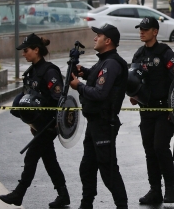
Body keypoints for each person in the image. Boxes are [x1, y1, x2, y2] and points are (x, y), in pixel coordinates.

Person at [0, 34, 70, 208]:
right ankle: (63, 194)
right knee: (49, 159)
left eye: (26, 50)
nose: (24, 54)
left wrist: (55, 122)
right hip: (39, 125)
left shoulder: (49, 71)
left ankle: (19, 194)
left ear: (36, 50)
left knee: (31, 157)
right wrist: (31, 123)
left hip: (50, 124)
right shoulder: (31, 72)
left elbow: (59, 98)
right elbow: (28, 98)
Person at [69, 24, 129, 209]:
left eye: (99, 35)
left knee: (108, 169)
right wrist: (84, 72)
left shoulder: (111, 63)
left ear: (108, 41)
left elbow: (100, 93)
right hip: (95, 123)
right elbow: (98, 77)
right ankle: (86, 204)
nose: (95, 38)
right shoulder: (104, 61)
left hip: (104, 123)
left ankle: (122, 206)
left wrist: (79, 85)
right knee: (87, 167)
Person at [130, 17, 174, 205]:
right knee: (149, 150)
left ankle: (170, 187)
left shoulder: (166, 53)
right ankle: (155, 190)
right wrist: (134, 95)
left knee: (160, 147)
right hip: (146, 110)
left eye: (145, 29)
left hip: (164, 110)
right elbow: (133, 79)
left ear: (155, 32)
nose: (141, 32)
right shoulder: (138, 55)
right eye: (140, 29)